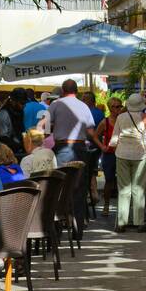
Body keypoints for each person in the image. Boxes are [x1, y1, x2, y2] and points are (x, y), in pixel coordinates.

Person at [45, 80, 101, 236]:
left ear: (63, 90)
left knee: (60, 187)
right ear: (77, 91)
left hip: (62, 148)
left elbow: (45, 126)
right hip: (80, 148)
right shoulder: (84, 106)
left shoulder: (55, 104)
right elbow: (90, 131)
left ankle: (57, 227)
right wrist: (100, 145)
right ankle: (77, 230)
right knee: (79, 188)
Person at [110, 92, 146, 232]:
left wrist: (117, 146)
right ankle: (139, 222)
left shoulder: (121, 117)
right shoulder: (144, 117)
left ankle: (122, 222)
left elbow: (115, 138)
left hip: (122, 154)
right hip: (140, 155)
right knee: (139, 188)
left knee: (123, 188)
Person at [95, 96, 123, 216]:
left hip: (122, 154)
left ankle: (122, 208)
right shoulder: (105, 122)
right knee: (109, 180)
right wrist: (102, 146)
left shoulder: (123, 120)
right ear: (109, 108)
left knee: (122, 182)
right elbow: (95, 136)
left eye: (119, 106)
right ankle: (106, 205)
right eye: (114, 106)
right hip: (109, 154)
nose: (117, 109)